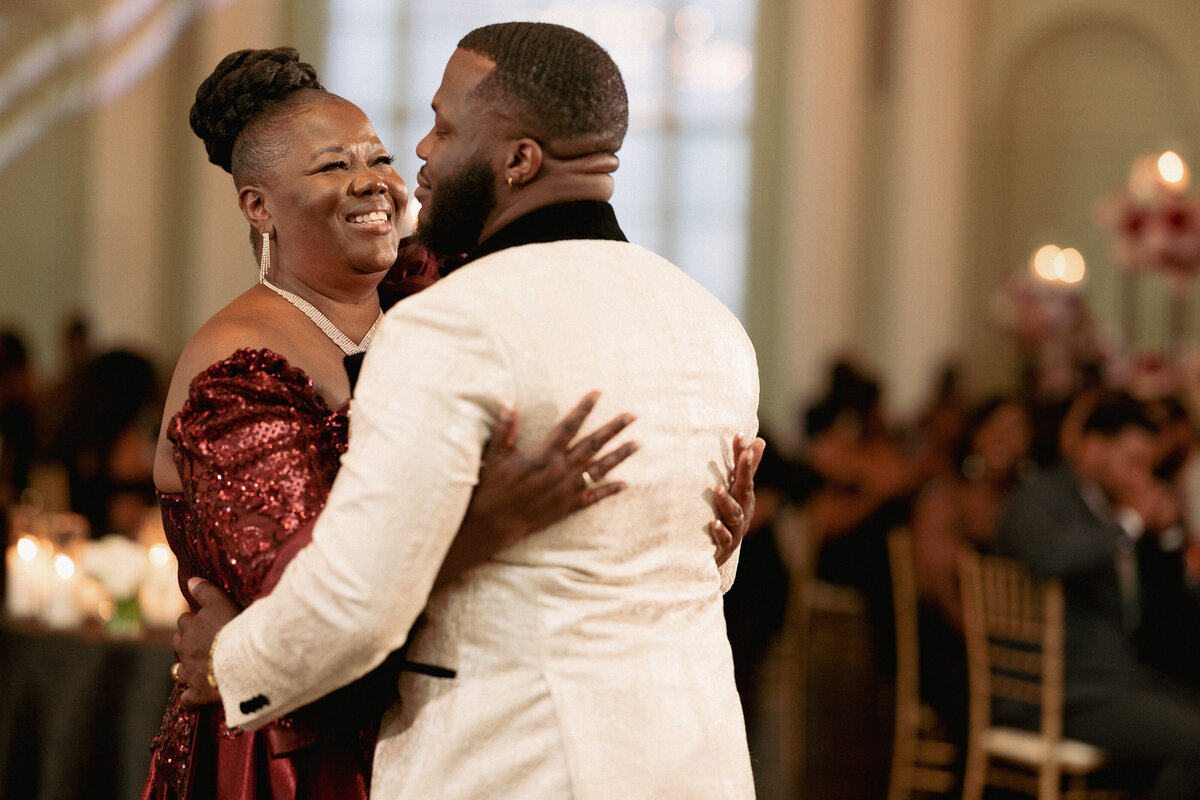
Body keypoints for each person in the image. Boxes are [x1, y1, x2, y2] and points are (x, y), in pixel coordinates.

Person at [175, 24, 761, 799]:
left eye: (444, 129)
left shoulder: (453, 323)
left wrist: (228, 662)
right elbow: (701, 565)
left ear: (518, 161)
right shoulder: (712, 324)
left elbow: (357, 603)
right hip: (696, 760)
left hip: (522, 763)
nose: (420, 152)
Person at [994, 390, 1200, 800]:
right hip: (1057, 690)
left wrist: (1168, 534)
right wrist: (1130, 523)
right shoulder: (1040, 499)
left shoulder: (1114, 511)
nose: (1140, 477)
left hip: (1118, 679)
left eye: (1148, 466)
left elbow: (1166, 611)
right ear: (1092, 450)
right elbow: (1051, 557)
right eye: (1132, 462)